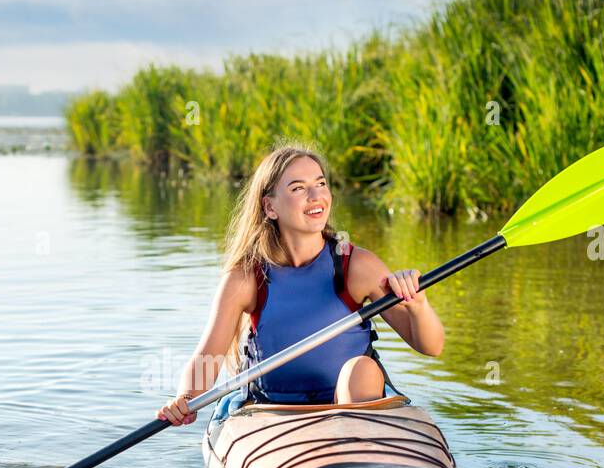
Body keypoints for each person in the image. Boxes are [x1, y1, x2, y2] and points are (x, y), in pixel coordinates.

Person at [157, 143, 444, 426]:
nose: (315, 195)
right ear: (270, 207)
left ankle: (357, 448)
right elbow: (207, 357)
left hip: (354, 405)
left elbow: (430, 346)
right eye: (298, 188)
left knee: (362, 369)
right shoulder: (246, 277)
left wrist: (419, 306)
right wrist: (186, 398)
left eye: (320, 183)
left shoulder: (355, 265)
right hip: (273, 410)